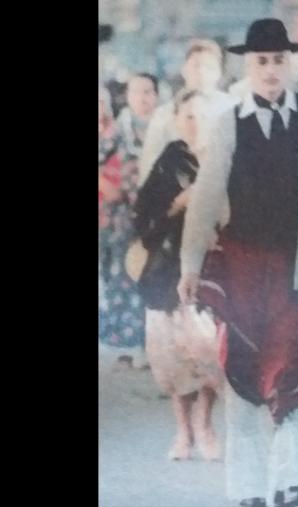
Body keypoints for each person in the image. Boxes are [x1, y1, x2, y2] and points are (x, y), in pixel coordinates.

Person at [177, 18, 298, 507]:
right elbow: (208, 195)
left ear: (291, 63)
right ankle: (249, 483)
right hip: (244, 264)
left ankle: (292, 481)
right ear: (247, 65)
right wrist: (191, 263)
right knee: (245, 370)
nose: (271, 69)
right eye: (262, 61)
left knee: (296, 367)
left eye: (279, 60)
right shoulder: (229, 121)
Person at [133, 90, 223, 461]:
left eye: (201, 116)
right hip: (169, 271)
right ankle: (184, 431)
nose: (194, 123)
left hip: (216, 270)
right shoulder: (169, 163)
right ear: (178, 120)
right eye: (188, 116)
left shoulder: (223, 160)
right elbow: (144, 220)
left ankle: (205, 423)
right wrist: (178, 204)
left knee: (211, 352)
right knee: (174, 355)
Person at [99, 73, 159, 364]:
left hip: (161, 216)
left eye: (148, 92)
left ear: (157, 95)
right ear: (128, 96)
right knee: (124, 276)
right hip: (123, 217)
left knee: (157, 275)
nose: (143, 98)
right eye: (137, 92)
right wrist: (105, 184)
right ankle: (127, 344)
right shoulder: (117, 130)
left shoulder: (166, 126)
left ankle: (155, 345)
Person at [139, 39, 238, 183]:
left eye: (209, 67)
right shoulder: (164, 114)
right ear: (184, 70)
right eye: (196, 66)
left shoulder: (233, 108)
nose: (201, 72)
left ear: (219, 73)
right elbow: (149, 162)